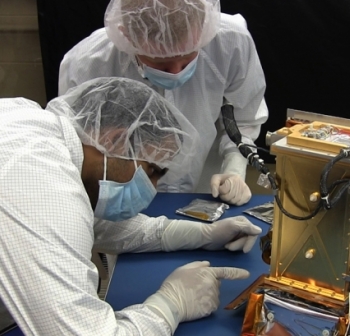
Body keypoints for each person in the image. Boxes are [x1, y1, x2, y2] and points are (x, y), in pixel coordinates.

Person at [0, 77, 262, 335]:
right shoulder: (39, 184)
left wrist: (202, 234)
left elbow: (96, 226)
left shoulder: (35, 128)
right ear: (115, 141)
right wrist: (170, 305)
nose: (153, 187)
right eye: (151, 170)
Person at [58, 0, 269, 206]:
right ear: (127, 35)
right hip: (123, 199)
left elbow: (244, 118)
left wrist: (234, 169)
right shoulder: (87, 65)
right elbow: (77, 146)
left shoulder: (230, 43)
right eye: (162, 65)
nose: (177, 72)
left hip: (207, 191)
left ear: (203, 26)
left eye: (188, 59)